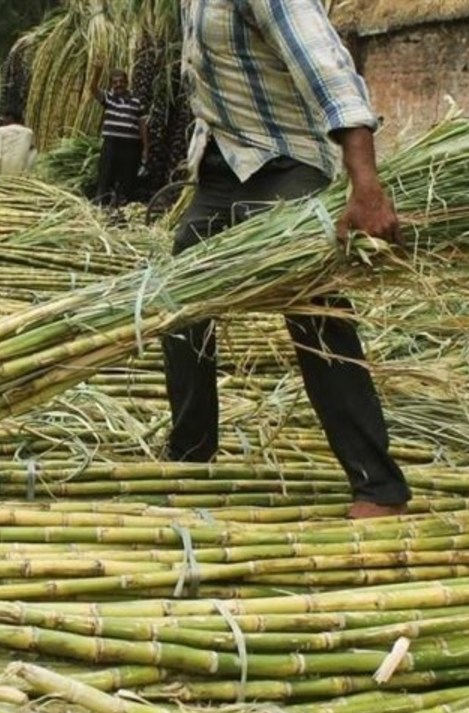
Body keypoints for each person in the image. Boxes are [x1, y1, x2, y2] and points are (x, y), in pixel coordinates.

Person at [164, 0, 409, 520]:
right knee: (178, 299)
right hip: (224, 166)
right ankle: (191, 457)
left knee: (314, 310)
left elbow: (329, 71)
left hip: (283, 166)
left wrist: (365, 186)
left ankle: (378, 485)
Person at [89, 66, 147, 206]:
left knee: (127, 177)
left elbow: (142, 125)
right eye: (115, 82)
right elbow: (93, 90)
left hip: (130, 146)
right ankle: (101, 204)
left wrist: (146, 147)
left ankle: (123, 206)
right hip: (111, 144)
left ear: (127, 83)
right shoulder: (108, 98)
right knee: (106, 175)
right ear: (111, 85)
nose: (118, 84)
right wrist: (97, 72)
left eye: (121, 81)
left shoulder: (136, 101)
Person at [0, 109, 36, 178]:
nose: (3, 121)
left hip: (2, 174)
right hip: (20, 175)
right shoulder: (29, 133)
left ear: (10, 118)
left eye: (4, 118)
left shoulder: (1, 131)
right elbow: (32, 154)